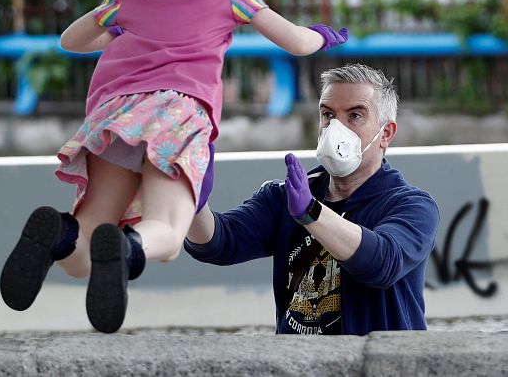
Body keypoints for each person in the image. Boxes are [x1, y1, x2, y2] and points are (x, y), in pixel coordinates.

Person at [0, 0, 348, 334]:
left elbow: (70, 40)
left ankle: (60, 234)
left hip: (117, 114)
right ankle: (127, 249)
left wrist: (121, 31)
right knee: (165, 231)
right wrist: (323, 37)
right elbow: (296, 42)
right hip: (176, 116)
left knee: (81, 254)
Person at [184, 63, 439, 335]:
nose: (336, 127)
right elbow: (219, 243)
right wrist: (192, 200)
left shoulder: (412, 206)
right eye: (328, 114)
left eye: (354, 115)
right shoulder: (286, 196)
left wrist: (311, 213)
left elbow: (382, 264)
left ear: (385, 133)